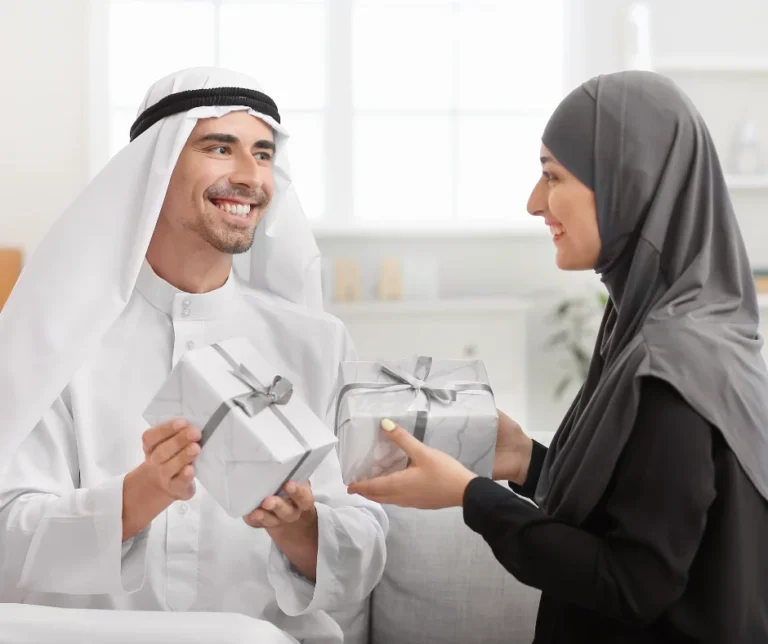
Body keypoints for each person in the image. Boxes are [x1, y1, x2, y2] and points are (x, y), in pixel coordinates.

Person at [348, 70, 768, 643]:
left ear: (629, 183)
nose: (533, 202)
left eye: (552, 175)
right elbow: (638, 517)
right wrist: (526, 461)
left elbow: (631, 584)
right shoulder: (654, 327)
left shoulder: (675, 367)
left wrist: (472, 497)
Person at [0, 67, 387, 644]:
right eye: (219, 147)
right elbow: (9, 533)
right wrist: (140, 497)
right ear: (154, 170)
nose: (249, 175)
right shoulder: (63, 339)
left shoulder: (316, 343)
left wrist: (301, 528)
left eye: (261, 153)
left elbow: (365, 545)